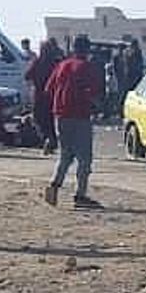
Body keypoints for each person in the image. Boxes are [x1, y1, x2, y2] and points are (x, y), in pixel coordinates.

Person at [42, 36, 104, 209]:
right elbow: (94, 93)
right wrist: (97, 106)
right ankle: (80, 194)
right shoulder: (87, 67)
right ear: (87, 50)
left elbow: (48, 89)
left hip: (60, 115)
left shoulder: (62, 65)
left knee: (65, 154)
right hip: (79, 115)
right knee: (84, 158)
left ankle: (54, 186)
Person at [23, 36, 63, 153]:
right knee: (48, 120)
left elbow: (27, 76)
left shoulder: (38, 62)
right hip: (51, 96)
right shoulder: (55, 63)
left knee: (39, 119)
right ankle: (51, 140)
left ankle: (49, 140)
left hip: (39, 95)